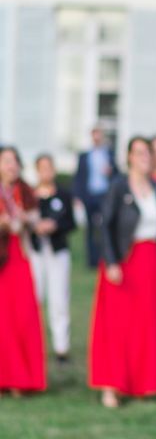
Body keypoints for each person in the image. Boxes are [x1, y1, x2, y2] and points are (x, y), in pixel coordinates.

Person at [89, 137, 156, 408]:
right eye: (138, 152)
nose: (144, 157)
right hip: (124, 261)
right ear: (129, 156)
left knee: (145, 325)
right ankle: (112, 386)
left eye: (148, 153)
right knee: (116, 326)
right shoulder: (118, 187)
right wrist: (112, 261)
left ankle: (143, 382)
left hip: (150, 261)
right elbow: (104, 226)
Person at [0, 146, 46, 395]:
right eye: (6, 161)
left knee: (23, 315)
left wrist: (26, 219)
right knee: (3, 319)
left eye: (14, 161)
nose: (11, 166)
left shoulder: (25, 191)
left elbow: (36, 219)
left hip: (21, 255)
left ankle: (22, 377)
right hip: (2, 259)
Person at [30, 154, 76, 363]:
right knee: (34, 296)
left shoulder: (63, 195)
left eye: (49, 167)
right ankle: (33, 343)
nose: (46, 172)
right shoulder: (30, 195)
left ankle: (61, 346)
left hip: (57, 251)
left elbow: (71, 223)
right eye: (42, 168)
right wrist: (36, 227)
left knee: (59, 298)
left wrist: (55, 226)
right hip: (36, 251)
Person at [73, 126, 119, 268]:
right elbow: (79, 177)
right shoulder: (85, 156)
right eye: (95, 135)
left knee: (105, 227)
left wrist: (111, 171)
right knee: (90, 229)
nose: (97, 138)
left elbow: (118, 175)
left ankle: (105, 257)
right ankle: (91, 260)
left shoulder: (109, 154)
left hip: (105, 195)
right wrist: (77, 196)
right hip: (90, 196)